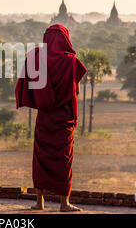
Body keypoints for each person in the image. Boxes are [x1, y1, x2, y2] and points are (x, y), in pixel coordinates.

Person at [15, 24, 87, 212]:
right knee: (64, 161)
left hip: (44, 119)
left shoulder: (36, 58)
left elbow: (27, 86)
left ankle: (40, 203)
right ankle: (64, 204)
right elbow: (75, 91)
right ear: (65, 39)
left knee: (40, 160)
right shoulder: (71, 62)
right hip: (63, 120)